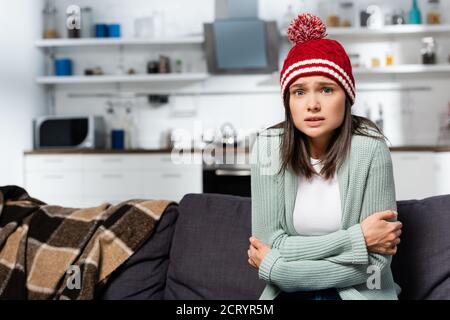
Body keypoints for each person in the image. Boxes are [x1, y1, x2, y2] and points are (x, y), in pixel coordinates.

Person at [248, 14, 402, 300]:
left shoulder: (371, 150)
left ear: (347, 95)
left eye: (326, 89)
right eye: (299, 92)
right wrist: (358, 239)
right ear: (288, 102)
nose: (312, 105)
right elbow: (269, 242)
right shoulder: (269, 148)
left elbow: (375, 266)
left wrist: (278, 269)